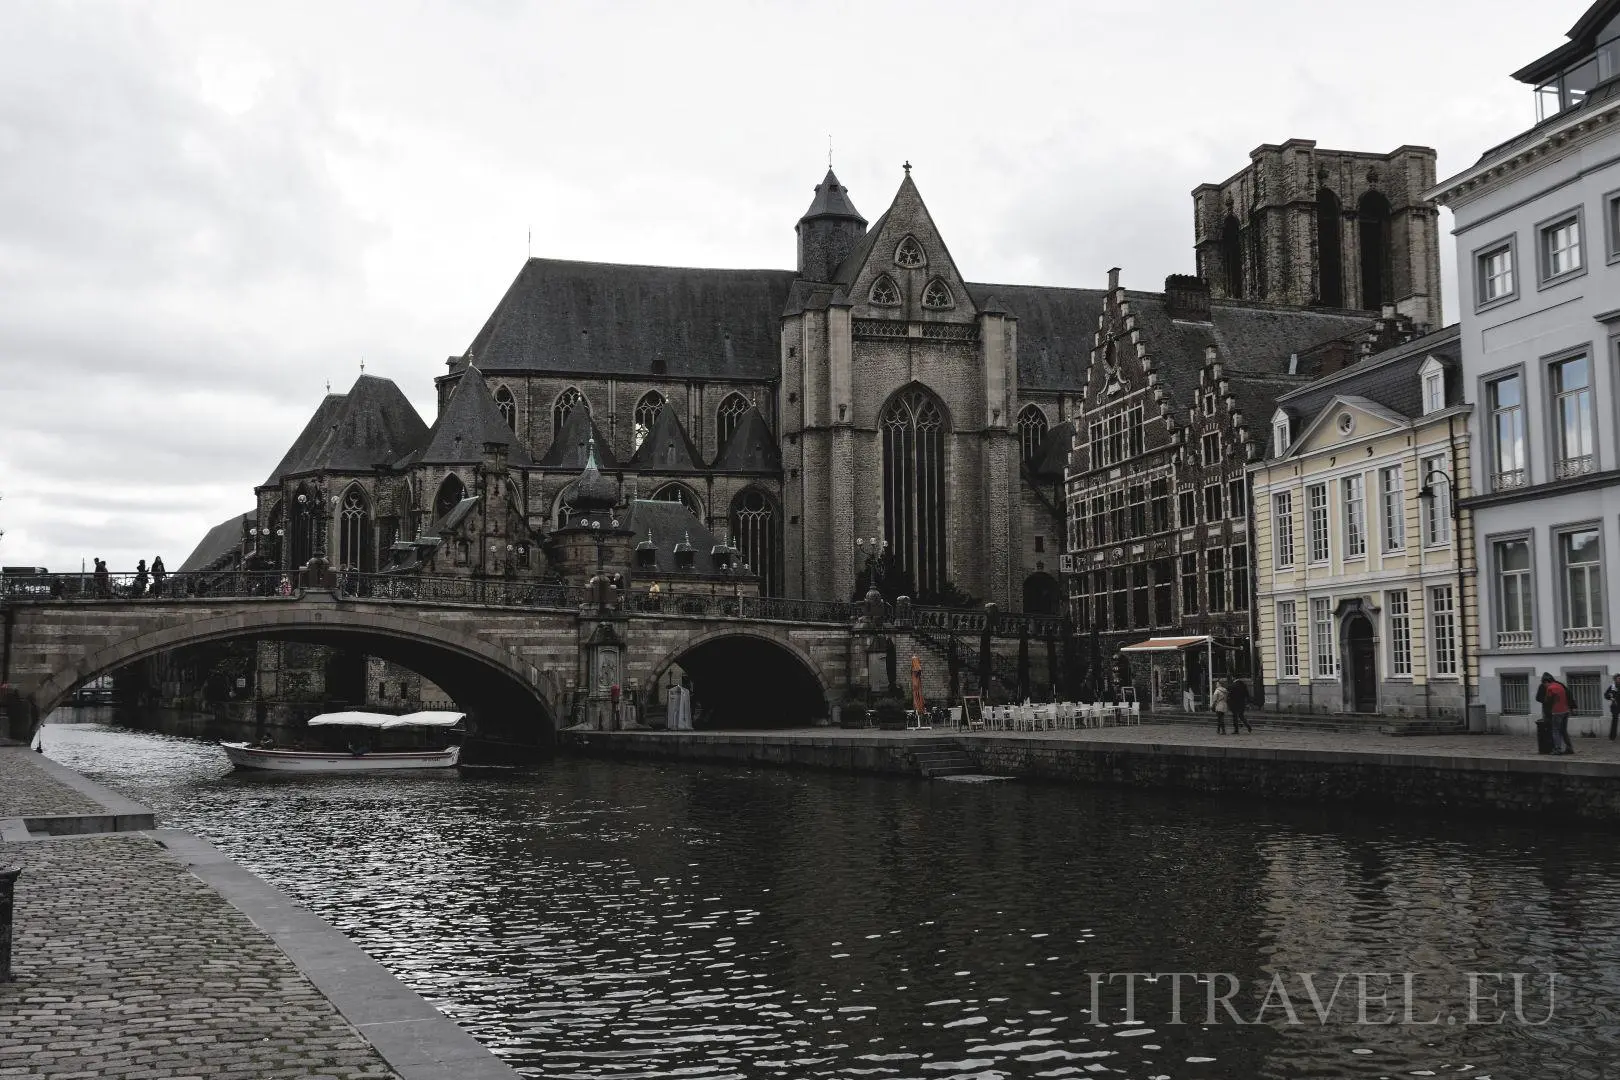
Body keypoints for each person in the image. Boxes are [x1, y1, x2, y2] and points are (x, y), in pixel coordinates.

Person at [1536, 672, 1574, 755]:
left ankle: (1557, 749)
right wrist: (1572, 707)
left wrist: (1546, 703)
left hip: (1555, 712)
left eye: (1544, 683)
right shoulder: (1560, 685)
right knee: (1563, 730)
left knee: (1555, 730)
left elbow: (1547, 700)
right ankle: (1569, 747)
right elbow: (1569, 695)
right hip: (1565, 710)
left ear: (1546, 681)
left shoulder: (1549, 688)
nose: (1544, 685)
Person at [1606, 674, 1620, 740]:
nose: (1619, 680)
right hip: (1615, 706)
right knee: (1614, 721)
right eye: (1618, 678)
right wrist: (1610, 698)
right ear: (1615, 679)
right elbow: (1606, 695)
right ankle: (1612, 737)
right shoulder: (1612, 687)